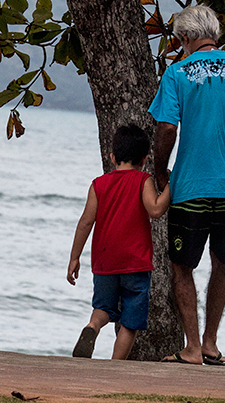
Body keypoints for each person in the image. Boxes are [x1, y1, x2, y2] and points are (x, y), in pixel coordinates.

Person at [149, 4, 225, 366]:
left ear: (185, 38)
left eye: (178, 41)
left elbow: (167, 128)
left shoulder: (177, 73)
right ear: (214, 35)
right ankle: (211, 344)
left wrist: (160, 171)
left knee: (182, 265)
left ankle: (191, 348)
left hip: (192, 185)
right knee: (224, 262)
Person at [66, 124, 171, 360]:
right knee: (131, 321)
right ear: (145, 159)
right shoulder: (143, 181)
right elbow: (155, 210)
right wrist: (170, 187)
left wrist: (74, 257)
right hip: (135, 262)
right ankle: (115, 366)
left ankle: (92, 327)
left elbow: (85, 222)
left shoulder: (98, 185)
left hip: (105, 261)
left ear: (113, 157)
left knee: (103, 308)